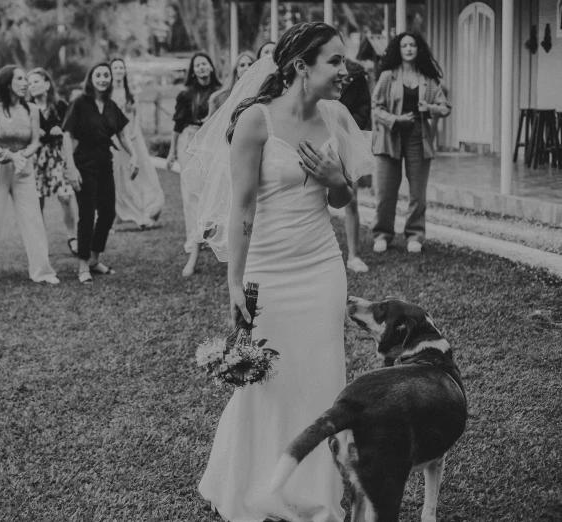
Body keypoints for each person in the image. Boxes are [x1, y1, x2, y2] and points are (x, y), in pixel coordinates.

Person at [182, 22, 374, 521]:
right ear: (299, 67)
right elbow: (241, 210)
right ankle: (254, 483)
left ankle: (315, 492)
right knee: (269, 381)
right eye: (333, 61)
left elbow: (341, 197)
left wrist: (337, 180)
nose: (344, 71)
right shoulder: (256, 121)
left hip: (321, 266)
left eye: (344, 60)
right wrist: (233, 282)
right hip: (269, 270)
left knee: (322, 376)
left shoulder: (334, 117)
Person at [0, 65, 59, 290]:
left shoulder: (31, 110)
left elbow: (35, 141)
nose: (25, 82)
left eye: (25, 78)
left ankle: (42, 271)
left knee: (33, 219)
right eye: (19, 78)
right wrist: (10, 156)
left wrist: (21, 157)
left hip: (23, 167)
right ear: (8, 83)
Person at [371, 31, 451, 254]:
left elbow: (445, 107)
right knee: (386, 191)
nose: (408, 49)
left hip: (418, 137)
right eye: (404, 45)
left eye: (413, 45)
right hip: (390, 137)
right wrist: (395, 120)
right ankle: (382, 234)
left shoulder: (428, 79)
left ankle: (415, 235)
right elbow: (376, 107)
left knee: (418, 192)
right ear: (398, 49)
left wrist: (430, 108)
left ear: (419, 49)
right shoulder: (388, 76)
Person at [62, 62, 138, 285]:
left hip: (105, 161)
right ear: (91, 78)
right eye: (99, 75)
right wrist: (71, 168)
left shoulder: (112, 106)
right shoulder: (79, 103)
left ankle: (95, 259)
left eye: (106, 75)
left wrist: (133, 155)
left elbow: (123, 136)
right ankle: (83, 265)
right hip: (83, 162)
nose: (103, 78)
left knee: (107, 213)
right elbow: (67, 136)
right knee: (87, 214)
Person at [165, 52, 221, 277]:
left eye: (204, 63)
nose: (201, 68)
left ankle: (211, 236)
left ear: (210, 67)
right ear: (193, 70)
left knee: (211, 190)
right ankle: (193, 238)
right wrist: (171, 152)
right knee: (191, 192)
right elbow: (177, 126)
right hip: (189, 139)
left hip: (211, 141)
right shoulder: (186, 94)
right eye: (197, 65)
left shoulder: (220, 91)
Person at [26, 67, 78, 256]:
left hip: (57, 155)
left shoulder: (61, 106)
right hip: (36, 157)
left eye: (36, 82)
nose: (32, 86)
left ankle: (72, 237)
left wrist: (61, 130)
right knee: (37, 199)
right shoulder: (27, 109)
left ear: (47, 84)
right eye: (29, 83)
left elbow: (71, 130)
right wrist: (32, 133)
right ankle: (39, 241)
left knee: (65, 196)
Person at [110, 58, 165, 230]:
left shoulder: (130, 92)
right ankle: (120, 213)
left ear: (124, 71)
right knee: (119, 174)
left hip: (133, 135)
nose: (118, 70)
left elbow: (137, 114)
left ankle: (147, 209)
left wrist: (134, 131)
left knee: (141, 172)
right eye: (115, 67)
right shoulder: (108, 93)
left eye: (121, 67)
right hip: (115, 137)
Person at [338, 58, 372, 272]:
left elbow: (364, 106)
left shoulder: (356, 74)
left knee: (351, 197)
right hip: (315, 137)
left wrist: (345, 126)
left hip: (347, 138)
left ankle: (353, 255)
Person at [208, 51, 256, 117]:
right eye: (242, 65)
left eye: (250, 64)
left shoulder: (262, 95)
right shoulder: (218, 98)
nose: (246, 68)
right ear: (236, 70)